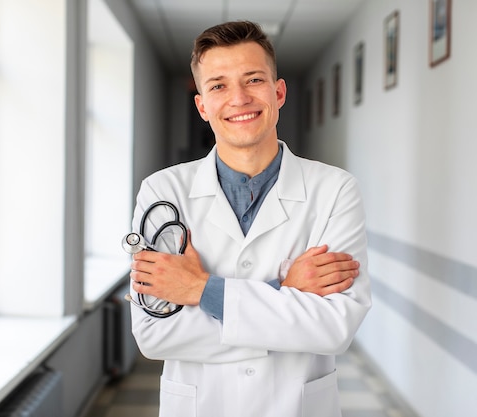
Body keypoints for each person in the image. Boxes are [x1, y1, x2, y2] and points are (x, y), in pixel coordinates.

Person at [128, 20, 371, 417]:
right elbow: (155, 335)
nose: (238, 98)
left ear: (278, 93)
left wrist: (200, 290)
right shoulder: (162, 192)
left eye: (253, 80)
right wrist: (284, 291)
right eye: (219, 85)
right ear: (202, 105)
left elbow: (333, 328)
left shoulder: (336, 190)